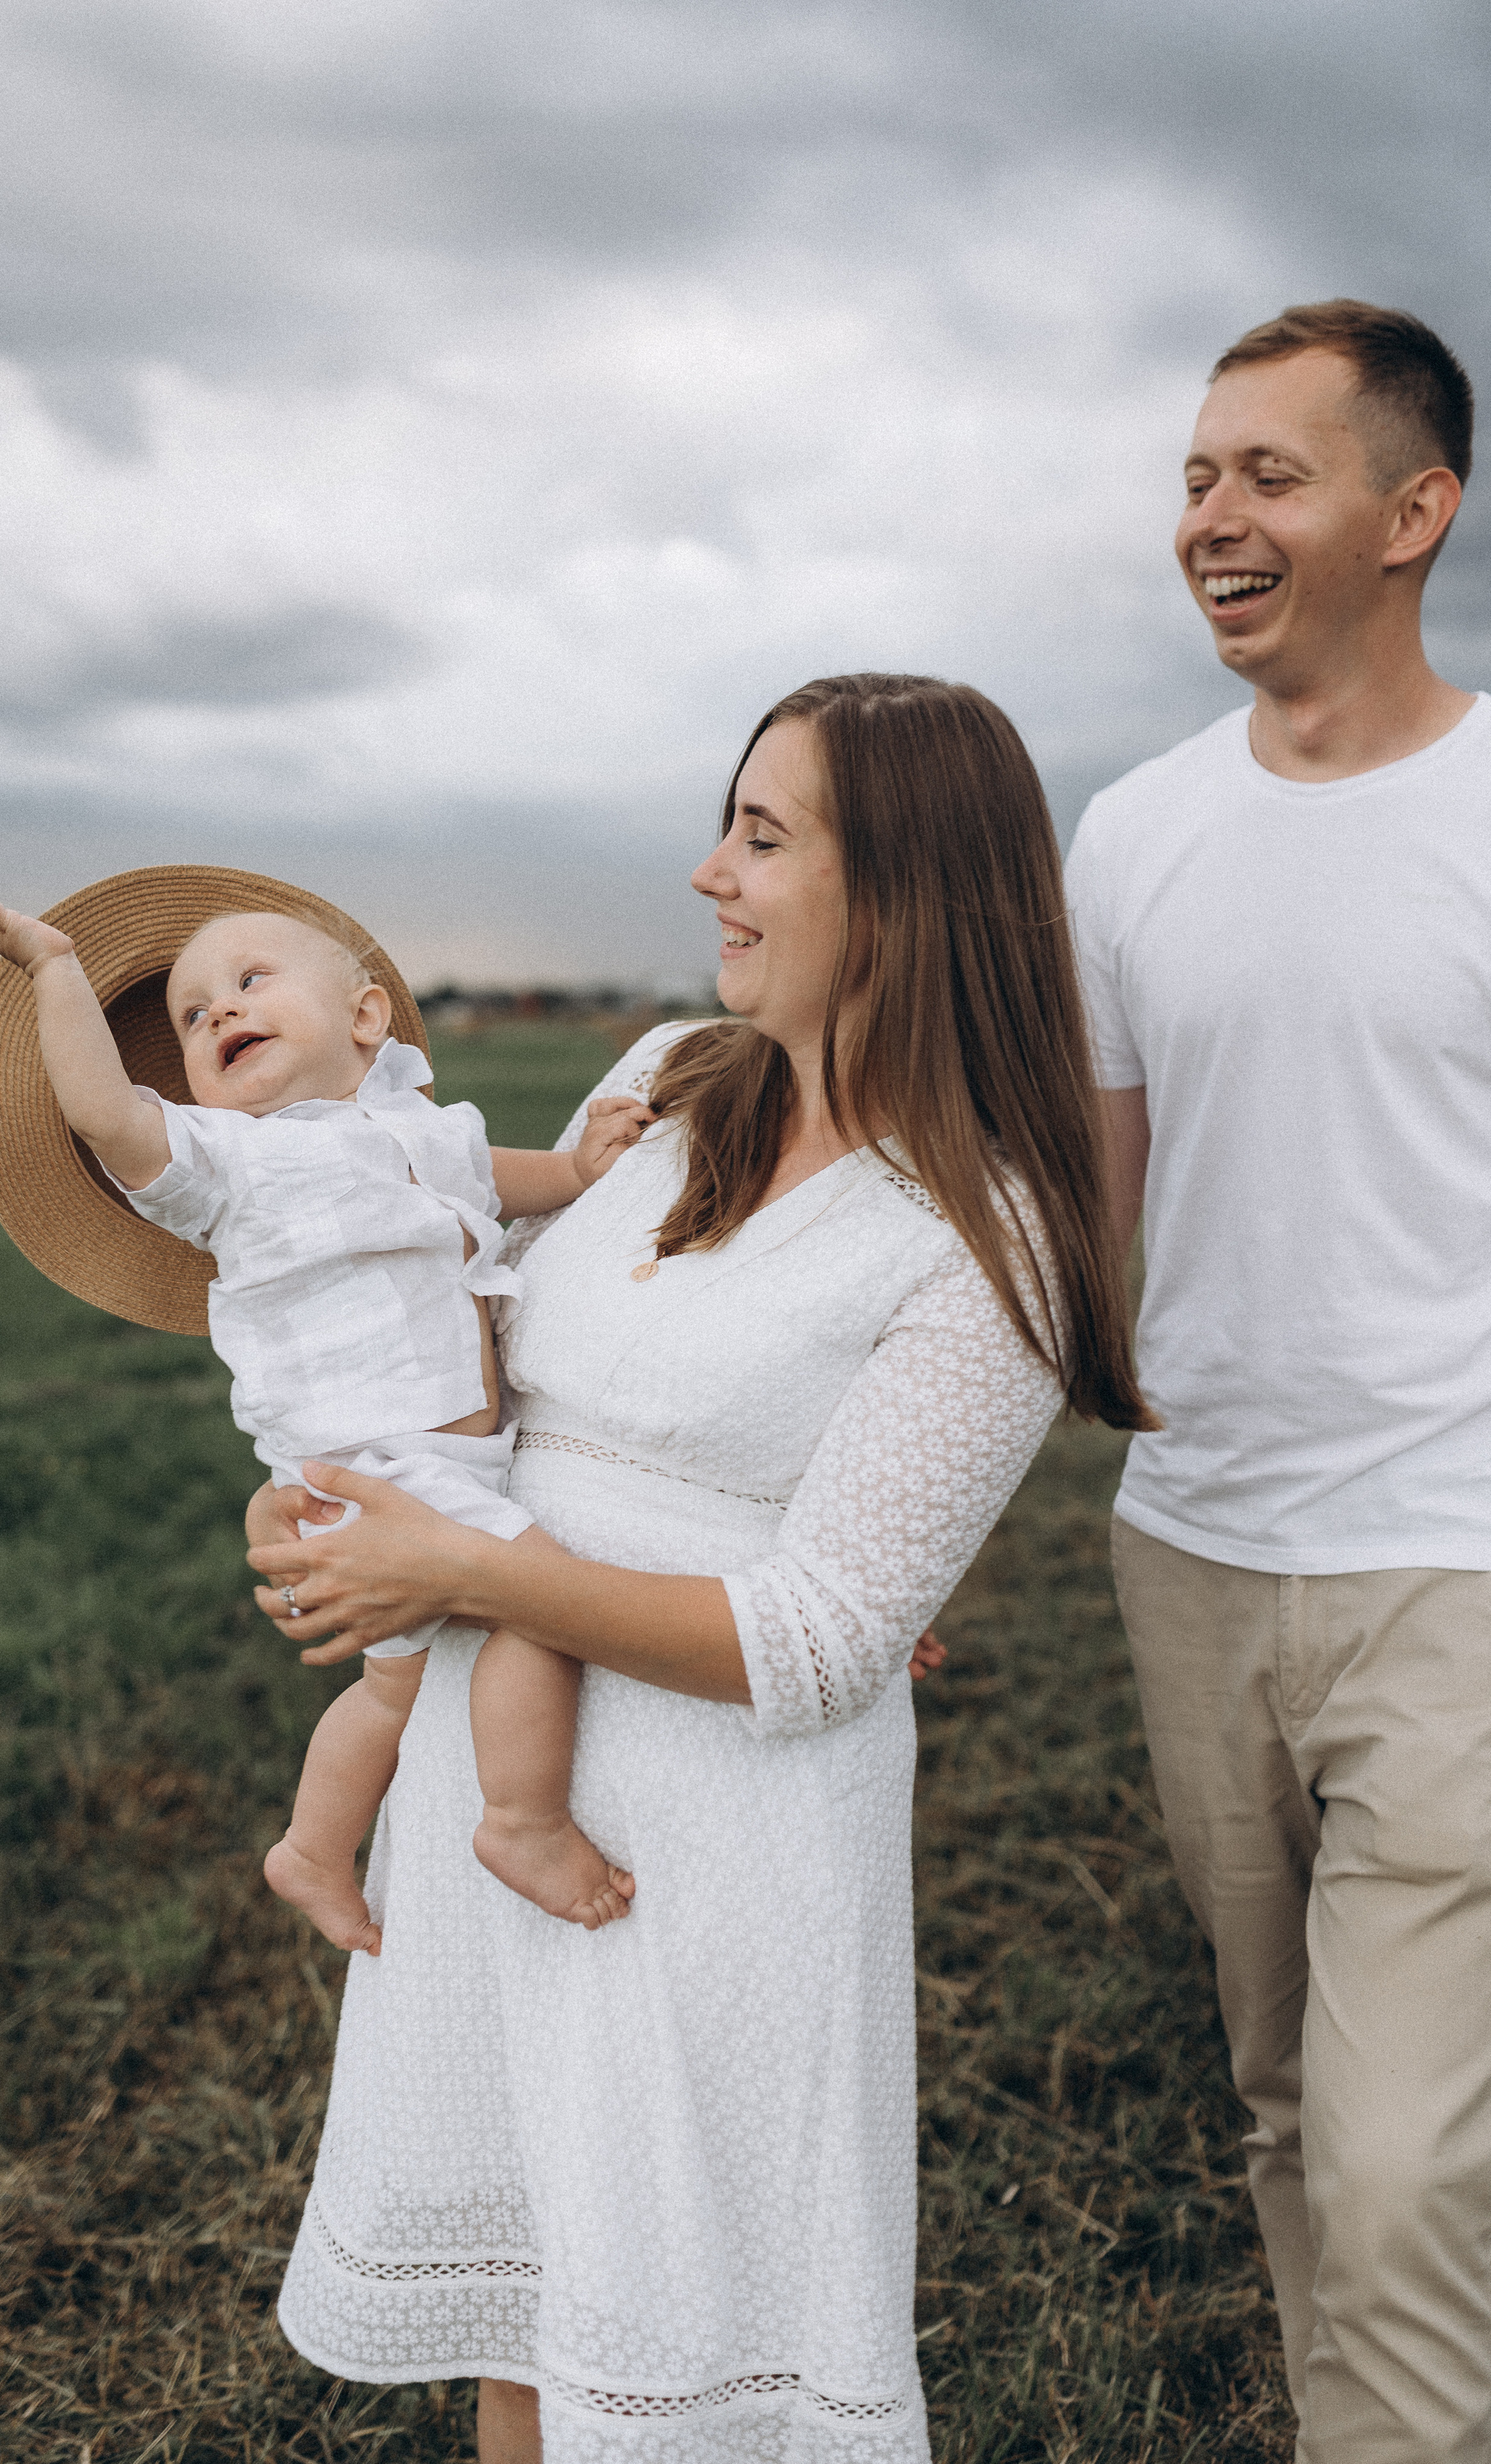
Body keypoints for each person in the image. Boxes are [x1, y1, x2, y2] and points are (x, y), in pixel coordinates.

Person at [246, 673, 1153, 2463]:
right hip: (489, 1790)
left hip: (707, 1859)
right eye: (722, 826)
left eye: (762, 835)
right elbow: (463, 1348)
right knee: (523, 2320)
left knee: (669, 2363)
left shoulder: (991, 1232)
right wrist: (340, 1502)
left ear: (902, 886)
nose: (707, 874)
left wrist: (474, 1574)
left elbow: (823, 1638)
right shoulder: (660, 1081)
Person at [1064, 301, 1491, 2458]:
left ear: (1415, 514)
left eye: (1269, 475)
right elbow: (1092, 1228)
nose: (1209, 518)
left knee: (1413, 2151)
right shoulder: (1130, 835)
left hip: (1458, 1564)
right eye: (1199, 474)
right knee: (1290, 2106)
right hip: (1199, 1555)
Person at [0, 876, 654, 1943]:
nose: (219, 1012)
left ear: (365, 1018)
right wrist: (54, 969)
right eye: (194, 1017)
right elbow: (104, 1111)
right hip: (365, 1469)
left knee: (395, 1691)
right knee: (540, 1611)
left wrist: (574, 1168)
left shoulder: (420, 1124)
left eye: (249, 982)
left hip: (445, 1464)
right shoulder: (227, 1164)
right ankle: (522, 1820)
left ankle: (313, 1849)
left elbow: (494, 1178)